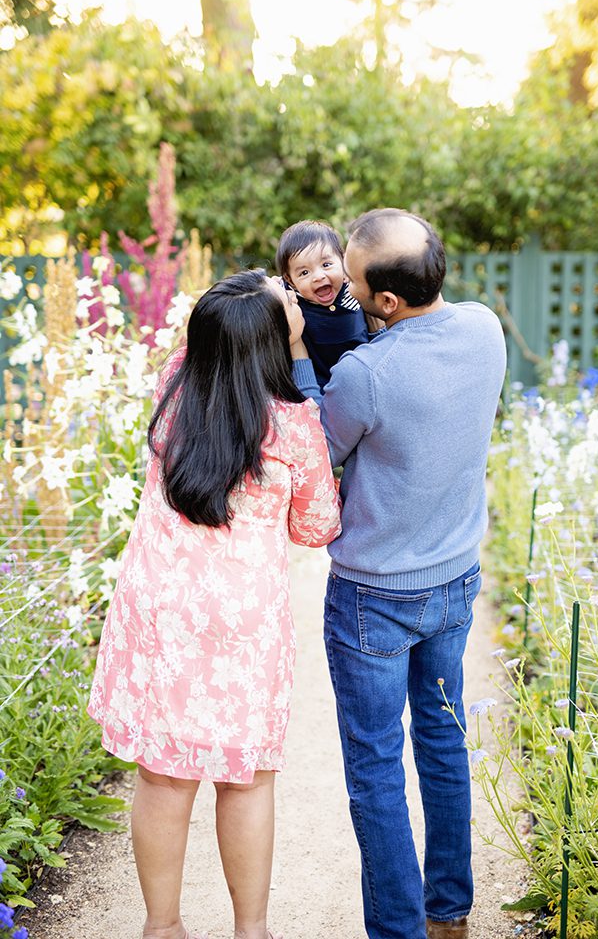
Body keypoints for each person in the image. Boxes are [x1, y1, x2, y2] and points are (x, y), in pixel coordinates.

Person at [87, 271, 341, 939]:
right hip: (241, 626)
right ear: (274, 339)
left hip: (159, 611)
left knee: (162, 779)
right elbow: (317, 527)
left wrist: (256, 314)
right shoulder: (293, 424)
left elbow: (208, 341)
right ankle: (250, 931)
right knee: (246, 780)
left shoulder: (174, 386)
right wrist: (297, 348)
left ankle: (162, 927)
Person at [289, 209, 507, 939]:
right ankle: (448, 911)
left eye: (351, 281)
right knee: (443, 740)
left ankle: (398, 931)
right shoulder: (484, 328)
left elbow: (316, 455)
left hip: (373, 597)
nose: (342, 290)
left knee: (376, 765)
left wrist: (298, 355)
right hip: (455, 581)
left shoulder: (366, 374)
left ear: (385, 300)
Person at [275, 219, 373, 391]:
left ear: (343, 261)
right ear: (290, 280)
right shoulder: (295, 305)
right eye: (304, 272)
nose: (318, 276)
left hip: (364, 378)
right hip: (320, 384)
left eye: (326, 265)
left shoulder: (355, 290)